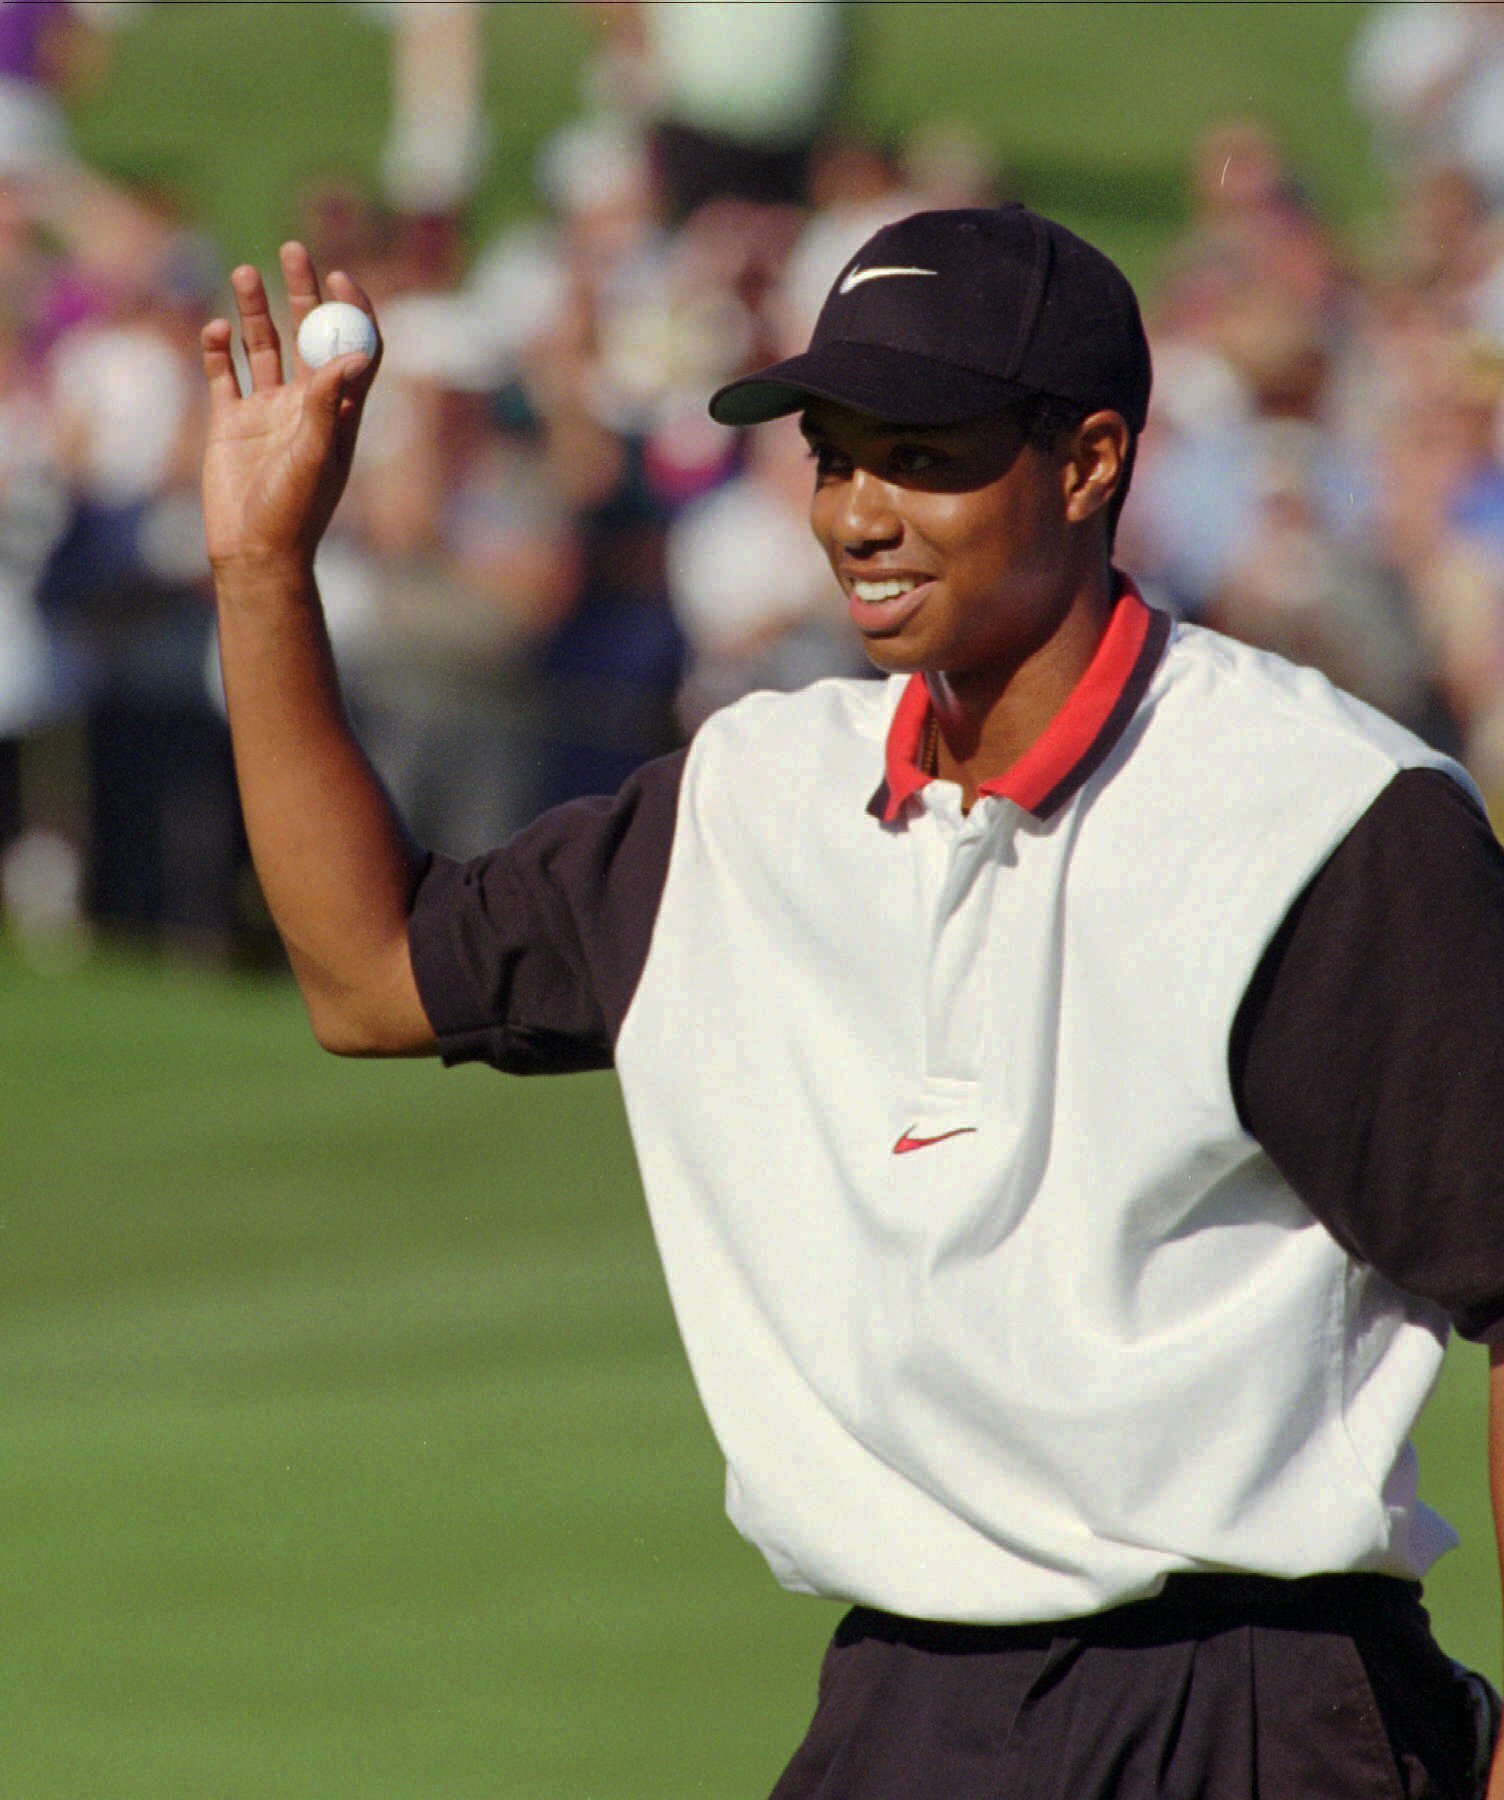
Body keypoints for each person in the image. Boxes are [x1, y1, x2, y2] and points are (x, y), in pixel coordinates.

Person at [201, 206, 1504, 1798]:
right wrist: (262, 568)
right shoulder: (748, 800)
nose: (859, 514)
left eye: (924, 455)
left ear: (1091, 462)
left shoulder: (1322, 819)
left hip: (1248, 1717)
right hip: (897, 1712)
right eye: (833, 456)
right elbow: (369, 972)